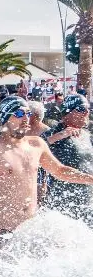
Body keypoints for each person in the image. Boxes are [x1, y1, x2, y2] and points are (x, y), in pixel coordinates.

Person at [0, 96, 93, 246]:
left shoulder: (36, 144)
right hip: (3, 229)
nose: (26, 119)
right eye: (19, 114)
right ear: (5, 117)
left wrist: (90, 178)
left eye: (28, 114)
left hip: (31, 230)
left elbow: (60, 170)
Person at [41, 94, 93, 226]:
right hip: (61, 202)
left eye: (88, 108)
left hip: (86, 200)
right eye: (81, 109)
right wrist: (58, 136)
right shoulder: (54, 133)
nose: (87, 112)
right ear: (67, 113)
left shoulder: (87, 136)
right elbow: (31, 151)